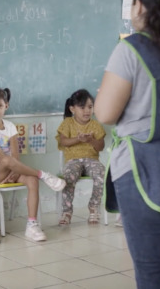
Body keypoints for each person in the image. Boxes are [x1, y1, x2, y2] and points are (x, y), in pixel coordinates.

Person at [95, 0, 160, 289]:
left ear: (138, 6)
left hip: (144, 172)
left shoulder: (132, 49)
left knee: (154, 272)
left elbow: (106, 113)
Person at [0, 87, 65, 242]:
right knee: (7, 160)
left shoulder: (10, 126)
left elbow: (15, 155)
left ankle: (32, 225)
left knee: (31, 180)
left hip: (11, 167)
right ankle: (43, 174)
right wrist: (12, 167)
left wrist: (14, 172)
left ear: (6, 106)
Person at [55, 89, 105, 225]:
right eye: (82, 107)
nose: (86, 111)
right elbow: (63, 142)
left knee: (100, 172)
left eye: (90, 107)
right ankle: (66, 211)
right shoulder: (67, 123)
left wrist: (91, 141)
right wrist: (78, 139)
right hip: (73, 160)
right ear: (72, 109)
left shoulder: (95, 125)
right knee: (68, 176)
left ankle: (94, 208)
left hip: (91, 160)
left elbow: (101, 146)